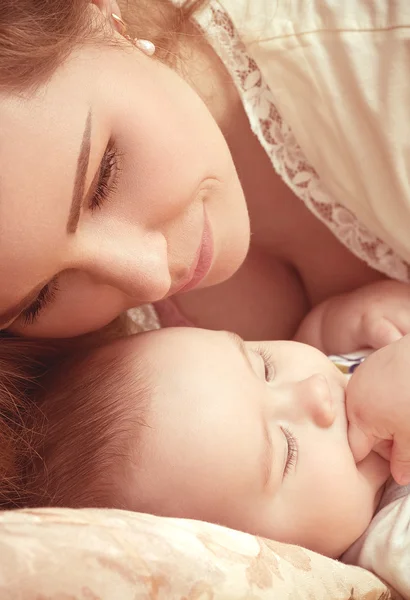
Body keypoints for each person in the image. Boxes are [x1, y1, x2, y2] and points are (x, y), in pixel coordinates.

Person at [1, 0, 410, 347]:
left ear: (100, 10)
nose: (151, 277)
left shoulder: (382, 43)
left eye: (103, 180)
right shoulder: (82, 382)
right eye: (41, 298)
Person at [22, 326, 409, 597]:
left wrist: (337, 321)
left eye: (264, 365)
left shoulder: (332, 375)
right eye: (288, 449)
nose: (315, 392)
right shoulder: (393, 541)